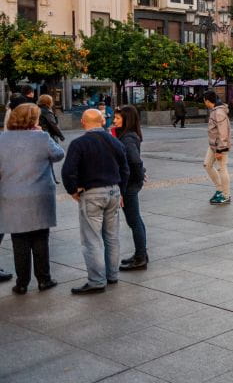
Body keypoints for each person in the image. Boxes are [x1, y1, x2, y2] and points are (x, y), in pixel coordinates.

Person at [61, 108, 129, 294]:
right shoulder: (115, 142)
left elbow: (68, 171)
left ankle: (97, 280)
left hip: (92, 193)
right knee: (112, 236)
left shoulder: (79, 143)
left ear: (83, 122)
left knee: (92, 239)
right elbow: (125, 168)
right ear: (102, 121)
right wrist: (121, 191)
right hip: (114, 191)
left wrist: (73, 190)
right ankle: (112, 275)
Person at [0, 103, 65, 294]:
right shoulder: (41, 137)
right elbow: (58, 154)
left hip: (11, 196)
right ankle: (44, 279)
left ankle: (22, 283)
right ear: (33, 120)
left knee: (18, 240)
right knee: (40, 239)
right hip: (39, 196)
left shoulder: (2, 139)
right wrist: (40, 133)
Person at [112, 106, 148, 271]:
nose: (114, 120)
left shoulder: (127, 138)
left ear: (127, 120)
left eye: (118, 118)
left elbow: (134, 160)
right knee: (135, 220)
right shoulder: (129, 136)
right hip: (132, 182)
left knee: (134, 220)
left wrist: (139, 175)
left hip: (129, 184)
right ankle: (141, 254)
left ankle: (141, 257)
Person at [203, 90, 231, 204]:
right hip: (213, 145)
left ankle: (225, 195)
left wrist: (221, 149)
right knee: (207, 165)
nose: (204, 103)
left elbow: (223, 132)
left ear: (208, 101)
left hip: (220, 146)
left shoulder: (218, 112)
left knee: (222, 168)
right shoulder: (215, 111)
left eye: (204, 101)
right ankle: (220, 189)